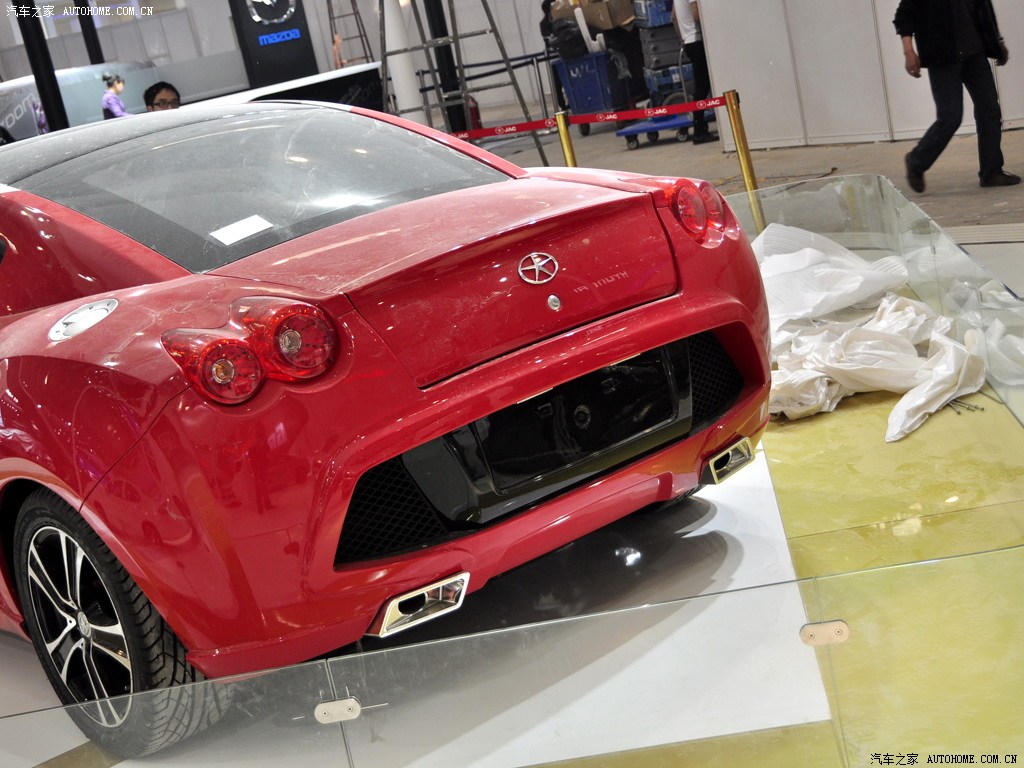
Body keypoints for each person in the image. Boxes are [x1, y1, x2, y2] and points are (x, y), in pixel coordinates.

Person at [895, 0, 1020, 192]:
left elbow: (983, 8)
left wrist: (997, 41)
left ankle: (991, 172)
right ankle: (916, 161)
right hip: (943, 57)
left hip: (975, 53)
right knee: (950, 117)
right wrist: (908, 51)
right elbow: (904, 15)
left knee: (990, 110)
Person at [672, 0, 716, 144]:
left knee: (701, 87)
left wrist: (682, 38)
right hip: (697, 39)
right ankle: (698, 131)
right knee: (702, 88)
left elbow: (674, 17)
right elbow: (697, 16)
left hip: (689, 41)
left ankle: (700, 127)